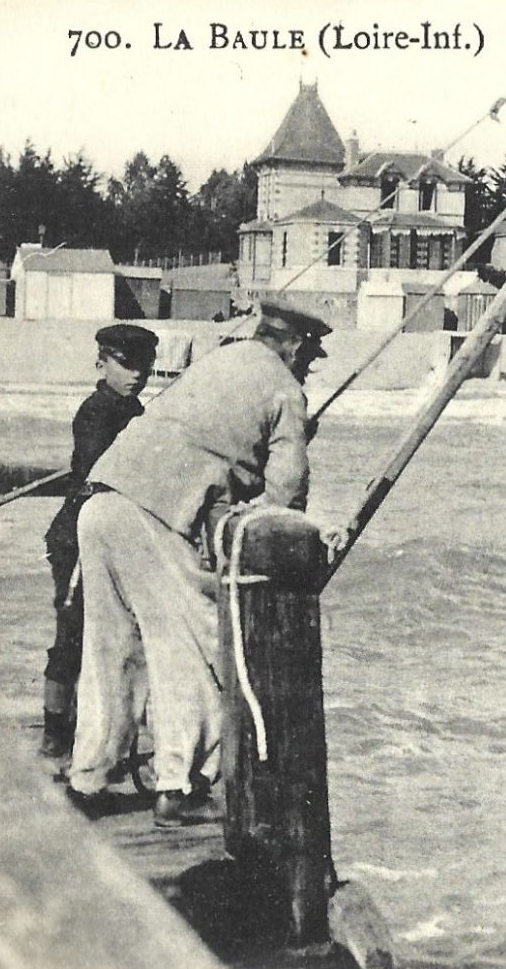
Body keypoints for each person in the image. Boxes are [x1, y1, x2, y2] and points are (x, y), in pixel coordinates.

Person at [66, 304, 329, 826]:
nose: (308, 367)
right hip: (153, 516)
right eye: (310, 356)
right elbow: (284, 498)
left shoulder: (219, 360)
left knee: (111, 649)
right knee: (195, 646)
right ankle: (179, 790)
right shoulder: (284, 390)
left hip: (100, 503)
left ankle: (89, 778)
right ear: (295, 345)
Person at [39, 325, 158, 759]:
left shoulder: (137, 411)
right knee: (72, 632)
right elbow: (99, 470)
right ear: (101, 364)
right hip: (76, 538)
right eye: (126, 366)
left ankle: (106, 727)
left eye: (143, 367)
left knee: (120, 635)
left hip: (114, 533)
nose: (136, 375)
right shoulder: (95, 412)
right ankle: (55, 730)